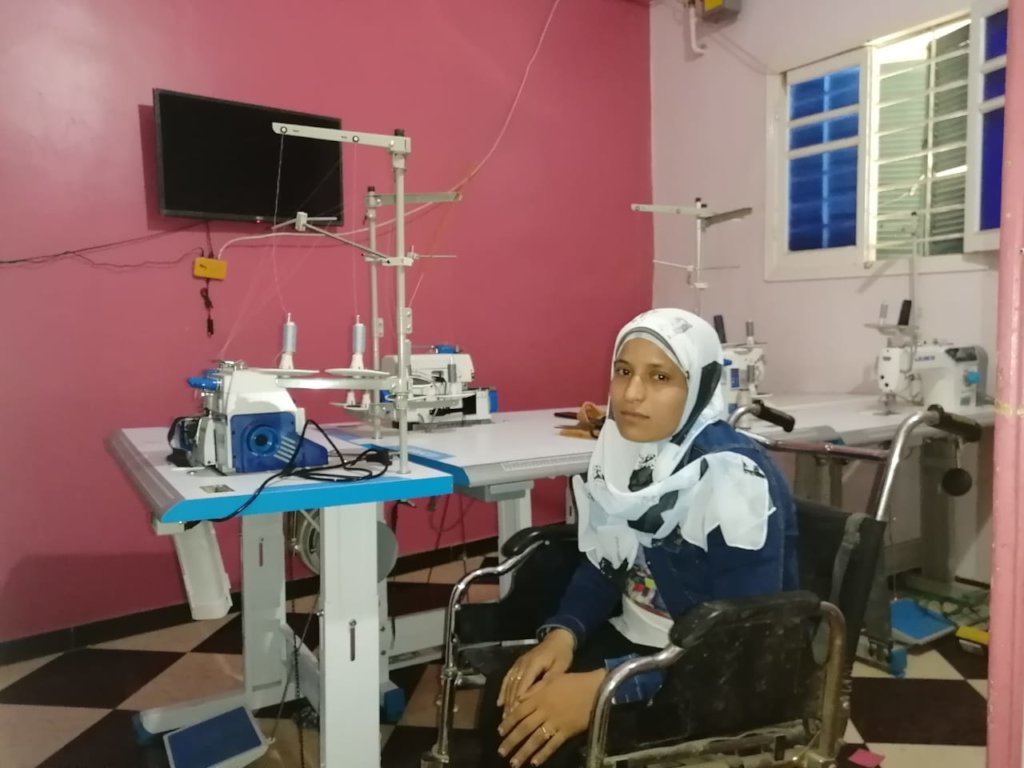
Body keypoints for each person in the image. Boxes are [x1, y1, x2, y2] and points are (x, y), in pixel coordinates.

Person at [478, 308, 799, 768]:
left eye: (660, 377)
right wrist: (563, 634)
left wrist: (605, 687)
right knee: (509, 697)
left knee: (547, 747)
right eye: (624, 371)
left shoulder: (732, 478)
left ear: (699, 386)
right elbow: (605, 563)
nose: (631, 393)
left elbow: (740, 642)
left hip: (704, 669)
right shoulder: (628, 453)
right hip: (635, 642)